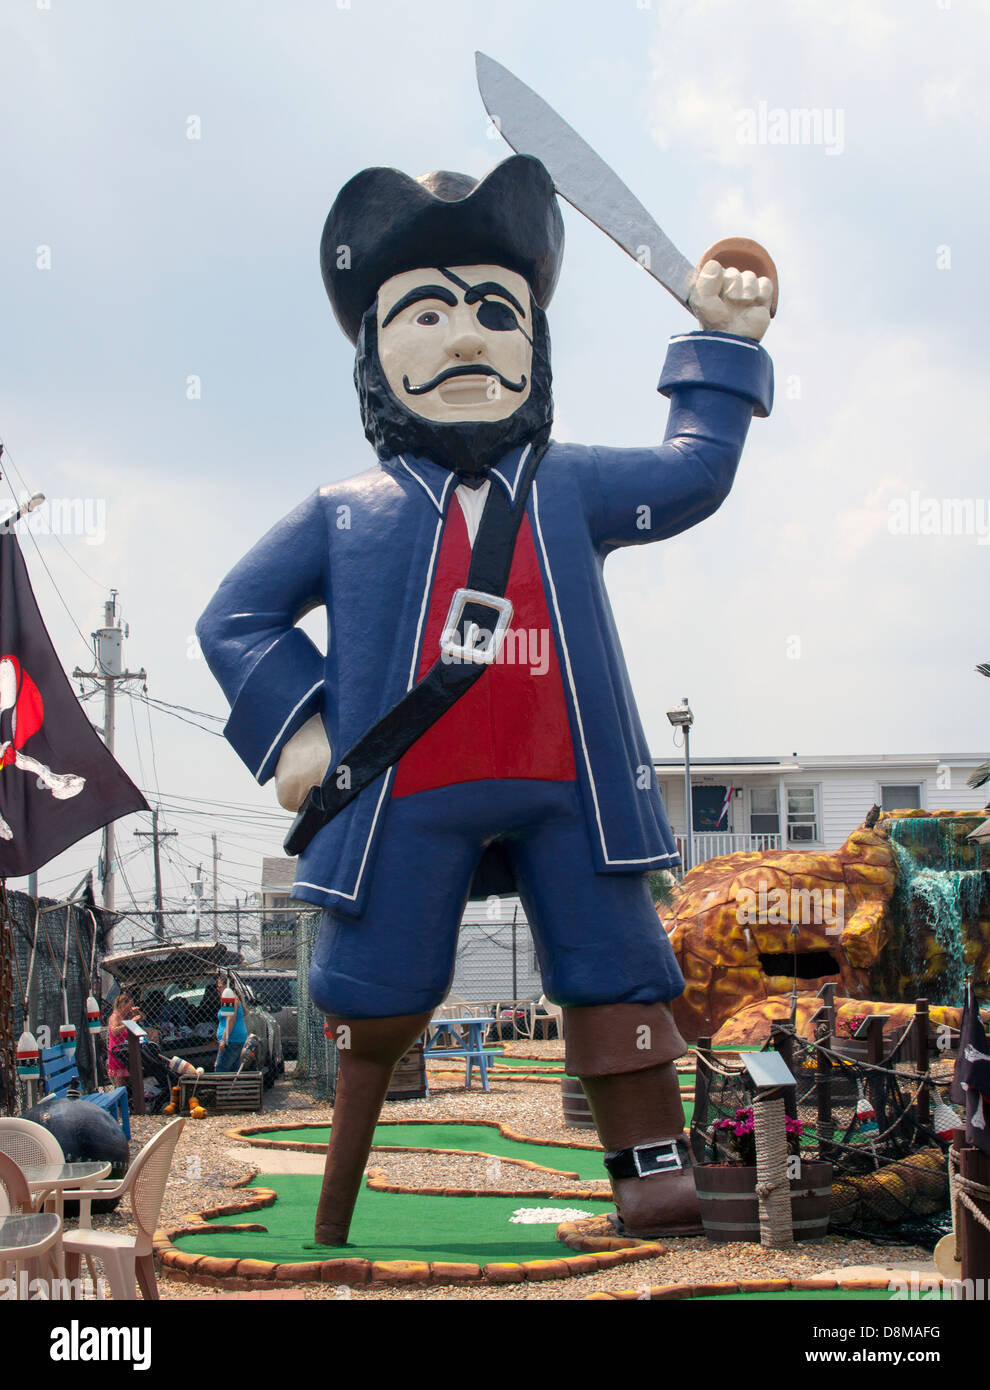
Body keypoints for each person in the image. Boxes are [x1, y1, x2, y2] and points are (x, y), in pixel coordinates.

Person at [197, 154, 774, 1241]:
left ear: (535, 345)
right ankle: (339, 1191)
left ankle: (652, 1175)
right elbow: (233, 618)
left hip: (575, 786)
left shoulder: (575, 487)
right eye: (424, 312)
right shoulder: (348, 511)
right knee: (376, 994)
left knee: (615, 970)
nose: (465, 340)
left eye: (496, 313)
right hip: (405, 787)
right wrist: (302, 723)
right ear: (372, 350)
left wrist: (724, 346)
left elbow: (694, 471)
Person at [107, 990, 141, 1084]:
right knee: (120, 1081)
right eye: (129, 1005)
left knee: (131, 1080)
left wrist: (137, 1012)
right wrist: (130, 1023)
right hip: (117, 1051)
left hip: (127, 1050)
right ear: (122, 1004)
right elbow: (114, 1031)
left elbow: (143, 1017)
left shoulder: (126, 1015)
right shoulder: (115, 1017)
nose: (130, 1008)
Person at [215, 974, 247, 1072]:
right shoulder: (233, 997)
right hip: (237, 1039)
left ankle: (222, 1087)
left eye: (219, 986)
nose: (218, 989)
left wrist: (224, 1040)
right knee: (234, 1071)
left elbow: (230, 1020)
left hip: (231, 1040)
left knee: (220, 1070)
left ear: (226, 985)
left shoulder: (229, 997)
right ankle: (234, 1087)